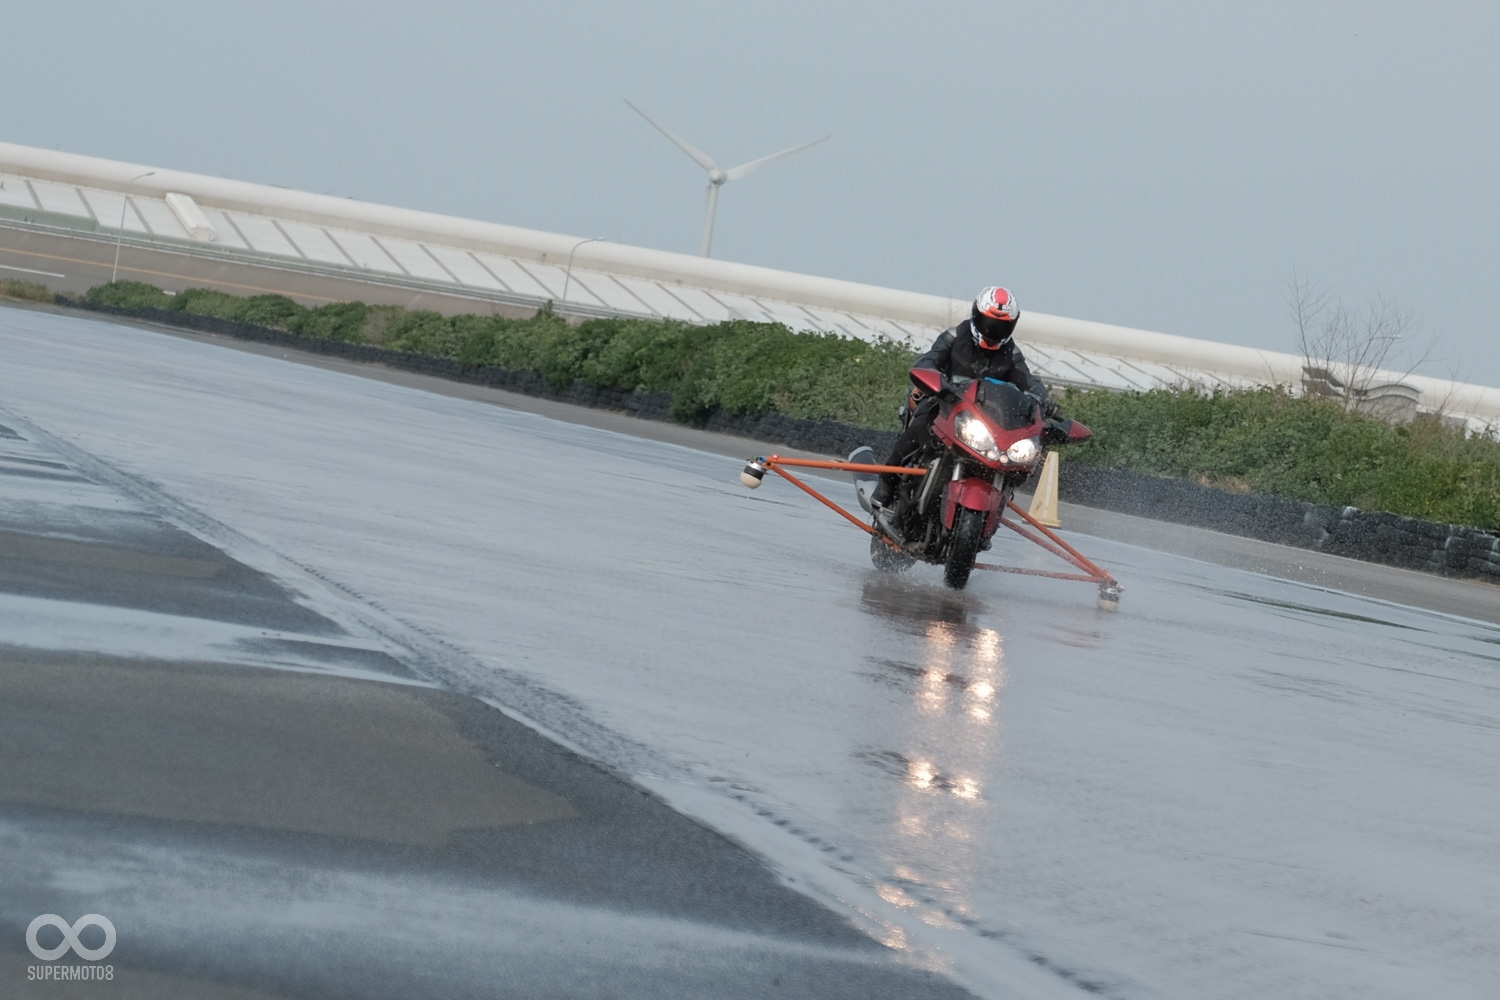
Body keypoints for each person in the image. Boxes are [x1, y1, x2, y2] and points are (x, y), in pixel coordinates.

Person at [869, 285, 1055, 511]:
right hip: (945, 403)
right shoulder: (954, 336)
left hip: (984, 416)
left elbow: (1028, 381)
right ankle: (887, 482)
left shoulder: (1011, 353)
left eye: (1002, 326)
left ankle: (993, 501)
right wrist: (938, 381)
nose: (994, 331)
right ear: (976, 314)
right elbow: (928, 360)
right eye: (989, 324)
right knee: (921, 423)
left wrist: (1042, 400)